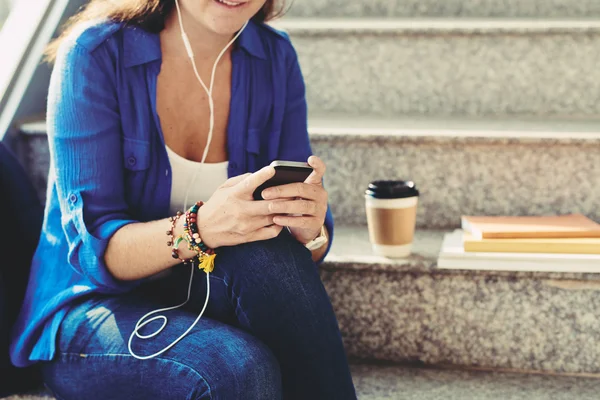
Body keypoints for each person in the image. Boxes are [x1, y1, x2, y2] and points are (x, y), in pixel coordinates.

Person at [8, 0, 358, 399]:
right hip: (95, 311)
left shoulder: (273, 56)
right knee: (237, 368)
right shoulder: (95, 54)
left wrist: (309, 231)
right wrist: (202, 227)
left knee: (269, 254)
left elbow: (303, 252)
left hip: (202, 288)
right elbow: (95, 256)